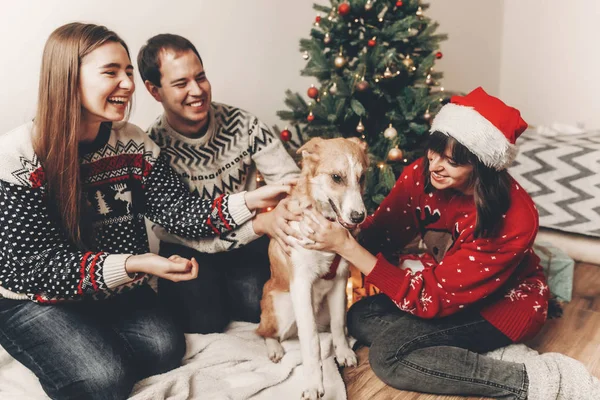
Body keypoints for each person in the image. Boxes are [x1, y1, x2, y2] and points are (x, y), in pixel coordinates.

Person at [0, 23, 290, 400]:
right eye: (111, 72)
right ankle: (55, 341)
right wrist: (136, 264)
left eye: (128, 73)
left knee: (165, 348)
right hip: (35, 298)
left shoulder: (133, 142)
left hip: (107, 293)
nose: (128, 84)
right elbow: (32, 267)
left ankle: (80, 341)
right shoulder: (16, 158)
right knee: (104, 379)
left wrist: (251, 200)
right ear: (68, 77)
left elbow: (179, 210)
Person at [300, 87, 599, 399]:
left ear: (482, 166)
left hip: (502, 308)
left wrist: (346, 247)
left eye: (453, 161)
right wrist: (318, 216)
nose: (436, 166)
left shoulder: (515, 218)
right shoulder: (422, 175)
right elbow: (379, 235)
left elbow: (430, 296)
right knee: (360, 316)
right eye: (434, 150)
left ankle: (530, 379)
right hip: (447, 291)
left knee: (388, 356)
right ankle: (455, 353)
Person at [137, 34, 300, 334]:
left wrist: (276, 214)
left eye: (201, 77)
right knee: (202, 323)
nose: (197, 90)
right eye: (181, 83)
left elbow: (291, 182)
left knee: (259, 306)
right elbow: (182, 226)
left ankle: (234, 293)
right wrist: (259, 221)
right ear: (154, 90)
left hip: (249, 242)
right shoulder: (152, 149)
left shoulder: (243, 124)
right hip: (189, 247)